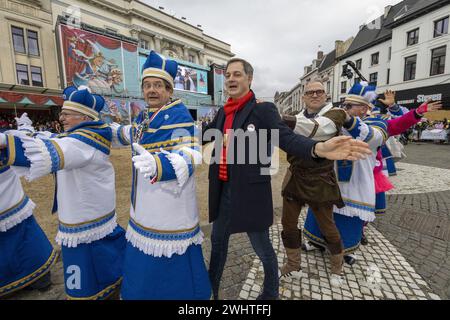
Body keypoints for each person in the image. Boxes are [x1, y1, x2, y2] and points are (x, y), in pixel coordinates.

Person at [202, 58, 372, 299]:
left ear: (249, 79)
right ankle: (211, 292)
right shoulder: (223, 111)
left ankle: (271, 292)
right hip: (223, 189)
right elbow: (207, 136)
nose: (231, 78)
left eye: (237, 74)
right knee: (218, 244)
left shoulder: (263, 109)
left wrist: (318, 149)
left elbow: (286, 138)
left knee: (262, 248)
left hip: (250, 193)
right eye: (228, 74)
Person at [0, 86, 126, 300]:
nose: (62, 117)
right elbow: (53, 138)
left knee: (87, 266)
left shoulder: (82, 142)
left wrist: (5, 142)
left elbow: (51, 151)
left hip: (85, 216)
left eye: (67, 113)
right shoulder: (81, 136)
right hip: (89, 212)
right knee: (101, 255)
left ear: (84, 117)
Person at [111, 50, 211, 300]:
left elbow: (190, 152)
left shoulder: (179, 116)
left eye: (158, 85)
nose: (152, 90)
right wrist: (100, 129)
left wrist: (161, 165)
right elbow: (128, 133)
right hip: (144, 204)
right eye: (147, 86)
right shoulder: (144, 116)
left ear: (169, 91)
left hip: (169, 204)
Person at [278, 80, 348, 285]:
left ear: (326, 94)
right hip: (296, 176)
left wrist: (277, 119)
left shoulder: (336, 113)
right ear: (304, 96)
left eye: (319, 91)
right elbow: (284, 140)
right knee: (288, 224)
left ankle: (337, 267)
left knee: (327, 226)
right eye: (310, 92)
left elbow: (316, 130)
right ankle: (293, 265)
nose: (315, 95)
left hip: (321, 179)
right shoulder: (297, 116)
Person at [0, 114, 58, 297]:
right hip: (11, 201)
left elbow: (23, 140)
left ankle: (39, 278)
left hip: (11, 201)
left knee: (26, 240)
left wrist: (24, 129)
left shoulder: (5, 137)